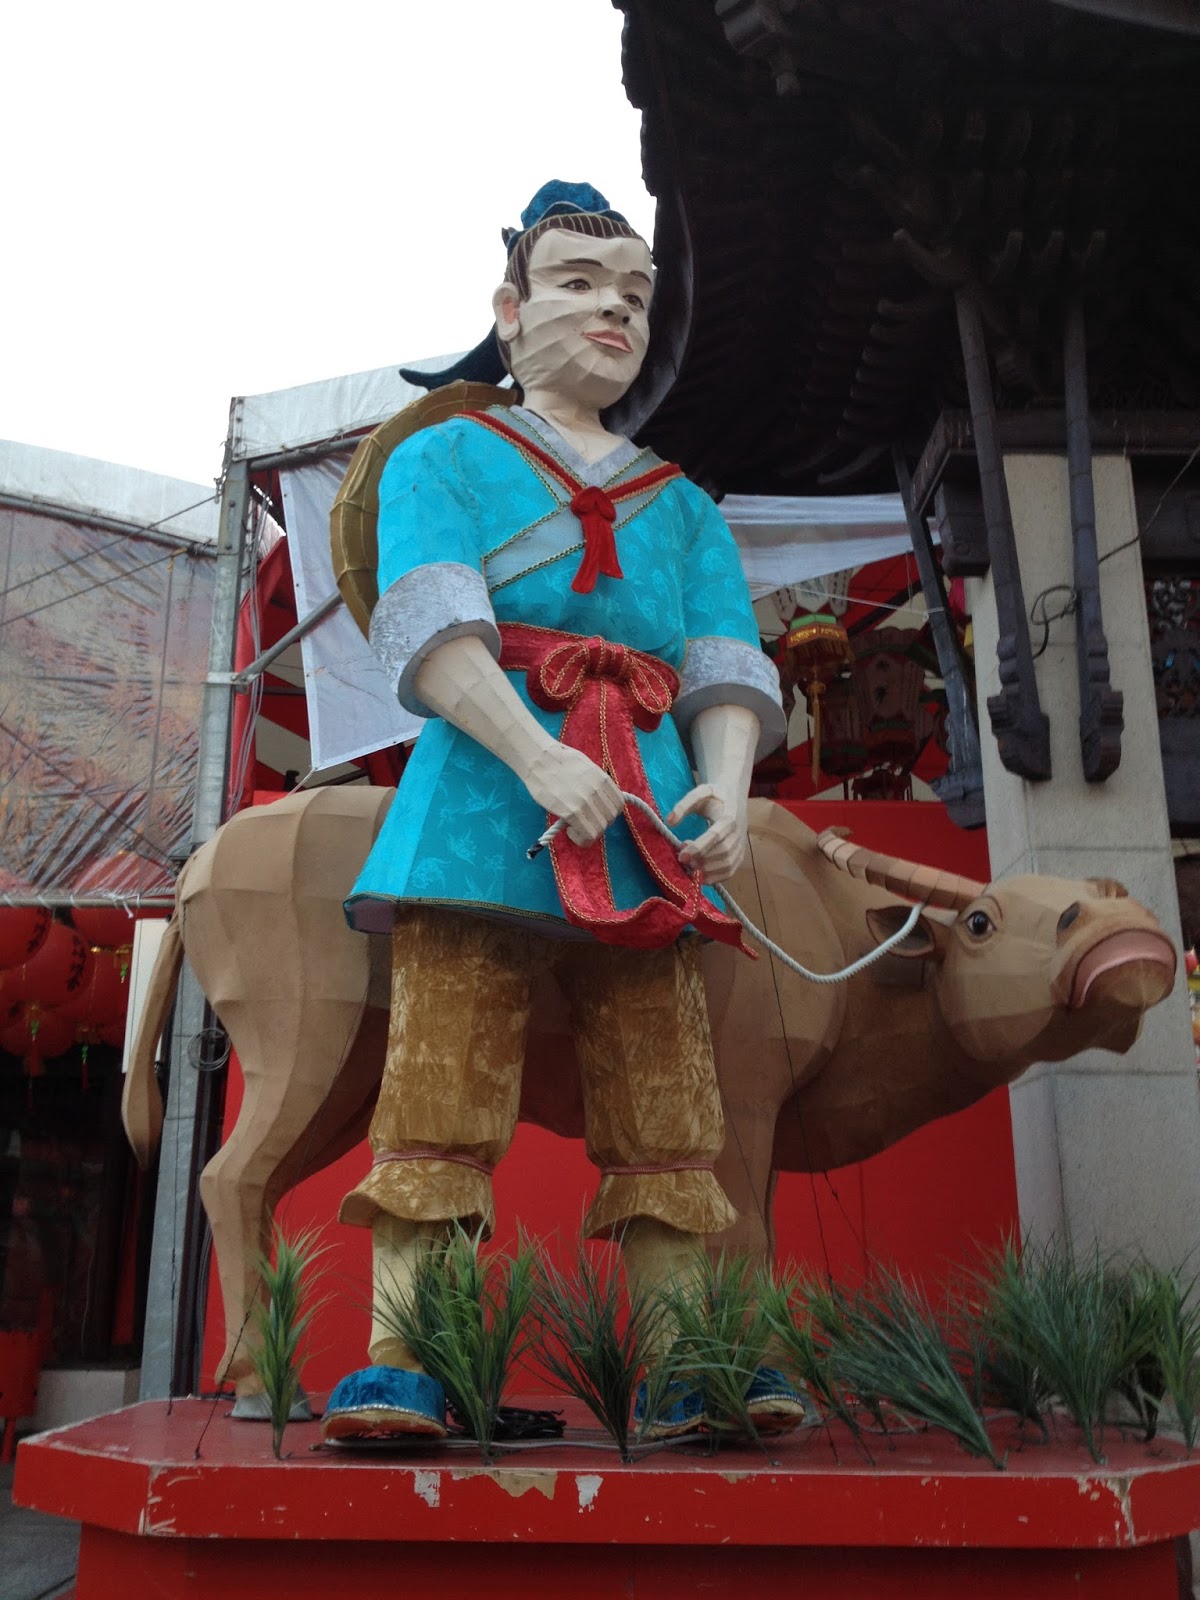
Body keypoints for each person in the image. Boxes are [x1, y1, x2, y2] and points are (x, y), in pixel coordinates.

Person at [323, 181, 798, 1442]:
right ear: (511, 307)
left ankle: (686, 1359)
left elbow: (724, 659)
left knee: (667, 1089)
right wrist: (536, 758)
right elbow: (428, 624)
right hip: (485, 789)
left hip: (645, 812)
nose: (612, 312)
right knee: (441, 1071)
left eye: (634, 294)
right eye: (581, 282)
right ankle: (411, 1359)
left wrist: (732, 783)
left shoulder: (683, 504)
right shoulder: (446, 454)